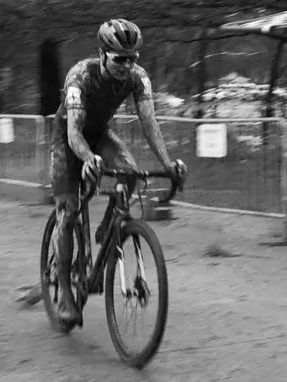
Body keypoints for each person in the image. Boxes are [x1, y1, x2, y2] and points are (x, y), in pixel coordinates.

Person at [49, 18, 185, 326]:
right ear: (102, 54)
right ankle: (67, 297)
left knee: (132, 172)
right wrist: (86, 157)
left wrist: (167, 164)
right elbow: (73, 133)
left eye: (132, 58)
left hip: (100, 134)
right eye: (120, 58)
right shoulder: (80, 76)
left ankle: (109, 229)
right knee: (68, 212)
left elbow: (149, 123)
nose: (127, 64)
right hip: (69, 139)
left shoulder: (138, 77)